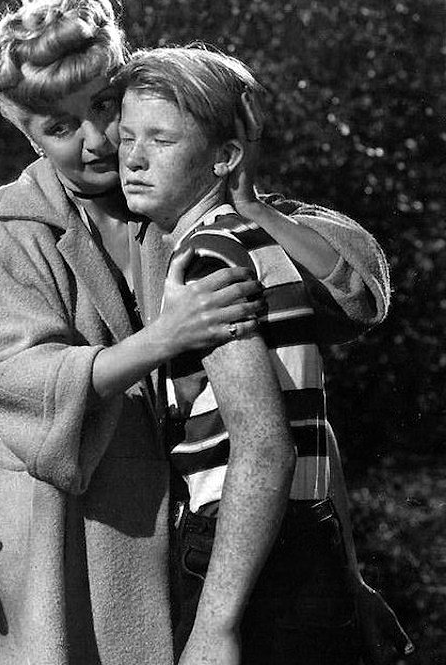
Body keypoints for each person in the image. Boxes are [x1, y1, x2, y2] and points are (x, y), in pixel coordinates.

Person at [0, 0, 398, 664]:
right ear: (23, 131)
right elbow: (14, 383)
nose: (100, 141)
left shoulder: (190, 204)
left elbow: (355, 298)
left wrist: (254, 206)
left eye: (107, 107)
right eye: (60, 129)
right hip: (69, 545)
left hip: (206, 543)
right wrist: (163, 338)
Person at [116, 44, 410, 665]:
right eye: (127, 137)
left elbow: (264, 445)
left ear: (225, 156)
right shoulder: (259, 242)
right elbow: (311, 427)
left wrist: (215, 626)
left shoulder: (208, 257)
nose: (133, 159)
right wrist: (345, 574)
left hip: (240, 544)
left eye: (161, 141)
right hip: (306, 535)